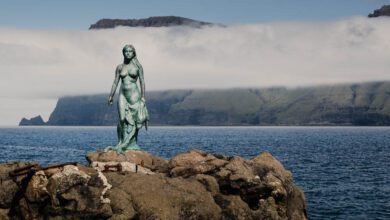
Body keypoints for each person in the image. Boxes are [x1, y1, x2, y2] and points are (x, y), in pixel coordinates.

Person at [106, 44, 149, 153]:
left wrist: (143, 97)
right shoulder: (120, 67)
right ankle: (120, 142)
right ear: (123, 53)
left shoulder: (138, 67)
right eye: (126, 51)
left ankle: (131, 143)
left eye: (130, 51)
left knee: (133, 121)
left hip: (134, 95)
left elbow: (142, 82)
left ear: (134, 53)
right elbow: (115, 82)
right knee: (121, 119)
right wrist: (111, 95)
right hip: (122, 95)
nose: (128, 53)